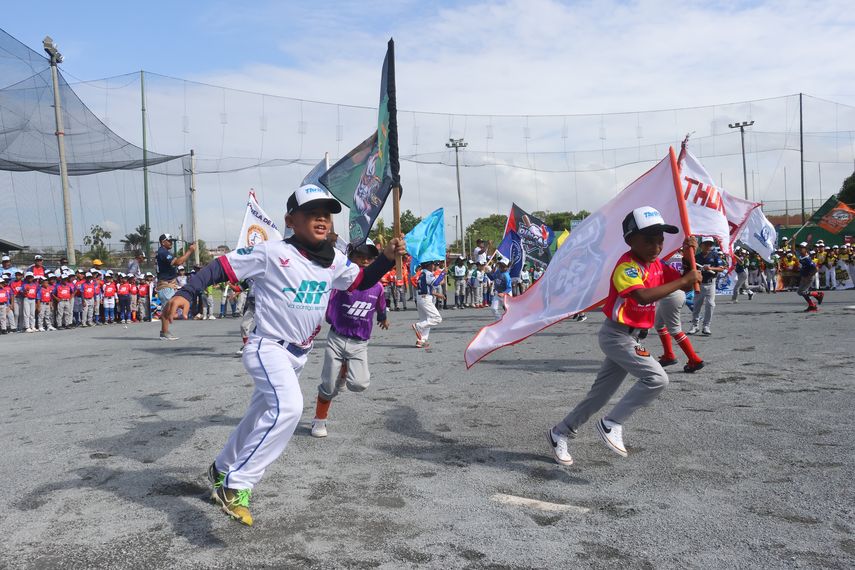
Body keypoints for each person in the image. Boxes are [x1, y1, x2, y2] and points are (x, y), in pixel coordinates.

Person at [162, 183, 405, 527]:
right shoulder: (272, 253)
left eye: (326, 214)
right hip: (268, 346)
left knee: (258, 416)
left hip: (298, 354)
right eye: (312, 213)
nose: (322, 219)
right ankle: (236, 484)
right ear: (292, 219)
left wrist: (386, 260)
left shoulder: (334, 260)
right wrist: (187, 291)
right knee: (289, 408)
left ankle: (221, 467)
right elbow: (221, 267)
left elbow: (361, 282)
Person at [546, 207, 700, 466]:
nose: (656, 245)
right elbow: (642, 296)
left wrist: (688, 257)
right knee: (657, 379)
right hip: (617, 336)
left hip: (633, 337)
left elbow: (685, 277)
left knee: (599, 396)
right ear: (630, 240)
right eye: (648, 239)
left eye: (660, 239)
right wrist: (684, 282)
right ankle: (612, 423)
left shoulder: (657, 265)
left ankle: (559, 432)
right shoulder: (626, 267)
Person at [311, 239, 389, 438]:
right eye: (359, 256)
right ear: (349, 258)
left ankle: (345, 371)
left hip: (359, 343)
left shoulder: (378, 288)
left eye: (369, 258)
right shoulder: (340, 283)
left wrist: (383, 318)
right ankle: (319, 421)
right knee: (328, 385)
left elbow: (380, 306)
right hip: (336, 339)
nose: (364, 261)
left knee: (359, 384)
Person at [155, 234, 196, 340]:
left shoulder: (163, 252)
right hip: (165, 285)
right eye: (169, 241)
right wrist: (190, 251)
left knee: (168, 309)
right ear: (163, 242)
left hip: (168, 285)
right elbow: (179, 262)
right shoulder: (163, 252)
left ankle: (164, 332)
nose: (171, 243)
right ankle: (164, 333)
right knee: (167, 309)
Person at [688, 237, 725, 336]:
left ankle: (706, 326)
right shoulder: (697, 257)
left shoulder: (715, 255)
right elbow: (691, 268)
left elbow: (721, 268)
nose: (708, 246)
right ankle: (695, 325)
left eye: (710, 244)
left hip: (710, 283)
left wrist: (710, 268)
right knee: (696, 305)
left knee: (710, 304)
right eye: (706, 244)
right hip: (699, 284)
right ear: (701, 245)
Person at [412, 260, 444, 349]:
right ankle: (418, 326)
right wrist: (442, 274)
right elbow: (436, 283)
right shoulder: (428, 273)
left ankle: (421, 340)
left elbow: (426, 288)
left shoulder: (421, 274)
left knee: (426, 320)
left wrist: (437, 294)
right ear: (429, 265)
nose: (434, 266)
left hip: (420, 298)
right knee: (437, 318)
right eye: (433, 264)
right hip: (425, 299)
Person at [795, 241, 824, 312]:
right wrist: (793, 240)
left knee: (802, 292)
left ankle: (816, 298)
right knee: (800, 292)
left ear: (806, 249)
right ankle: (814, 301)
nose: (800, 249)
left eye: (802, 248)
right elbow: (793, 251)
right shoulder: (801, 256)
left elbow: (816, 268)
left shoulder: (807, 259)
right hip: (804, 277)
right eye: (800, 247)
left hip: (808, 277)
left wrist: (810, 275)